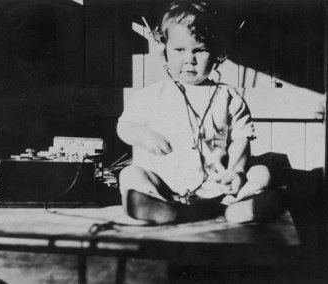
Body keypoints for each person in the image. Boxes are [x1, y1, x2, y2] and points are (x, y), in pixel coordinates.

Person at [117, 0, 284, 224]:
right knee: (130, 174)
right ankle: (153, 205)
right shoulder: (151, 94)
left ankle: (246, 203)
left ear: (217, 54)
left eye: (200, 50)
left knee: (260, 171)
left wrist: (237, 172)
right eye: (179, 50)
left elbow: (241, 140)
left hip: (220, 189)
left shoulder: (229, 96)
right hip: (164, 187)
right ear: (163, 50)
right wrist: (143, 135)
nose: (189, 60)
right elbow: (124, 127)